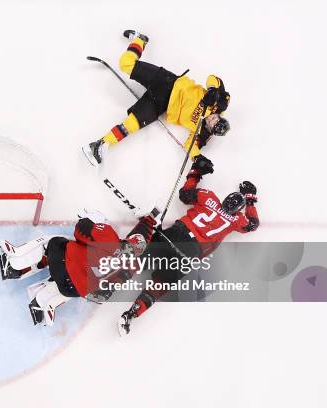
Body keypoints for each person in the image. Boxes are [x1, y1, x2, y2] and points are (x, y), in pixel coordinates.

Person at [118, 155, 260, 335]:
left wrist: (197, 172)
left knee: (138, 260)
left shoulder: (208, 196)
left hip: (176, 234)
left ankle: (107, 280)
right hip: (190, 252)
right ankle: (131, 314)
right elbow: (253, 224)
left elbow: (184, 194)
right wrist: (250, 199)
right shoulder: (237, 220)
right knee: (161, 283)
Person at [82, 30, 231, 167]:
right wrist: (213, 90)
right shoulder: (221, 103)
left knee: (131, 124)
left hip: (161, 104)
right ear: (219, 115)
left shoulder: (202, 131)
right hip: (167, 83)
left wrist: (198, 158)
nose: (211, 119)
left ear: (210, 129)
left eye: (211, 124)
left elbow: (190, 146)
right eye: (215, 118)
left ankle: (100, 144)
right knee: (125, 63)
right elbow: (214, 78)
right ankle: (140, 40)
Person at [0, 209, 157, 326]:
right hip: (71, 289)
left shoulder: (109, 237)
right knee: (81, 284)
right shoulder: (131, 269)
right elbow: (102, 297)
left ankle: (15, 264)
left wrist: (91, 219)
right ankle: (43, 304)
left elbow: (79, 232)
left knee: (55, 242)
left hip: (61, 263)